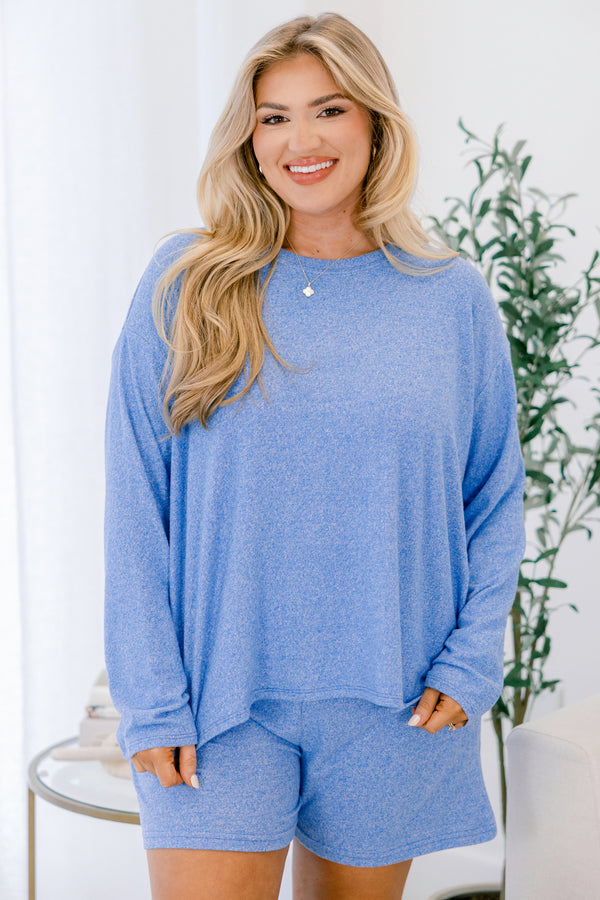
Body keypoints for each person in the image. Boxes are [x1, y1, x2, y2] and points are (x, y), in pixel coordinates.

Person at [103, 12, 527, 900]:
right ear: (249, 139)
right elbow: (136, 506)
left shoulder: (449, 299)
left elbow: (493, 497)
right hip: (218, 707)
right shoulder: (187, 285)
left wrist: (471, 660)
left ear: (374, 123)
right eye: (274, 116)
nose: (302, 139)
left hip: (392, 706)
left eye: (328, 110)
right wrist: (150, 699)